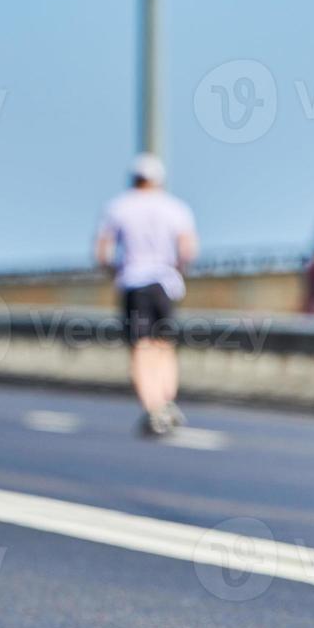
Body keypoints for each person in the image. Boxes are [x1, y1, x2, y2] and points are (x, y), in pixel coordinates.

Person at [95, 153, 199, 438]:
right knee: (164, 345)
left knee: (141, 347)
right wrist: (176, 270)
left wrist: (114, 271)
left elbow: (101, 252)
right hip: (165, 284)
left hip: (134, 282)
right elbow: (188, 249)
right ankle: (167, 400)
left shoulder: (118, 207)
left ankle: (154, 409)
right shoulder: (176, 208)